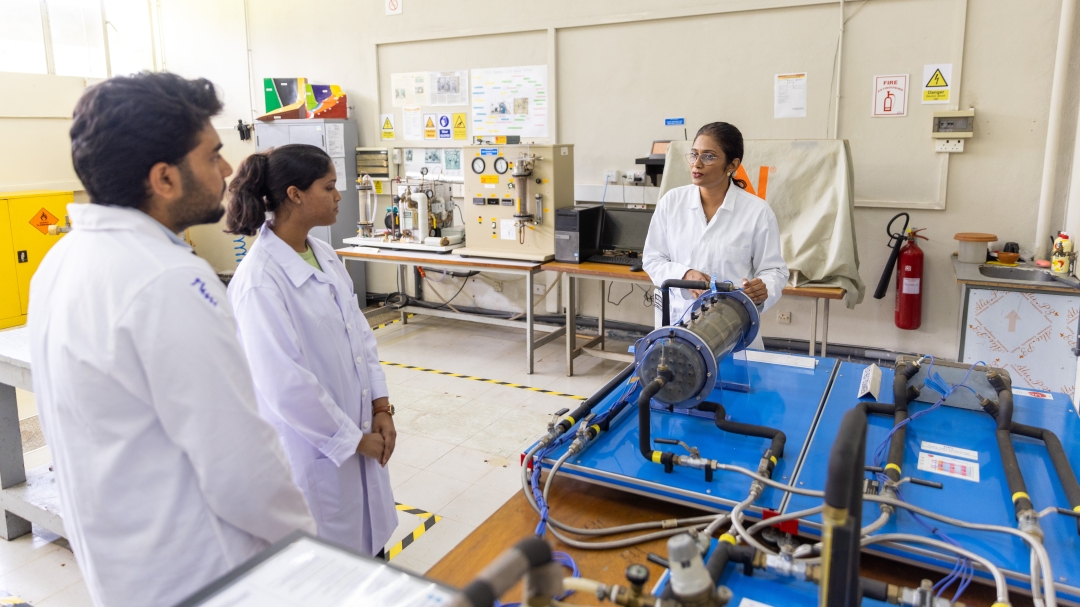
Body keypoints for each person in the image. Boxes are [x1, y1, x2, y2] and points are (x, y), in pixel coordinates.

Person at [27, 73, 316, 607]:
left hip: (126, 573)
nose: (229, 170)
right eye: (212, 156)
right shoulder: (170, 280)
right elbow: (241, 464)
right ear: (164, 178)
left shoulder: (60, 262)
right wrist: (313, 552)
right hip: (205, 573)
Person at [225, 144, 398, 557]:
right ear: (294, 194)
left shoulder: (322, 253)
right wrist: (353, 440)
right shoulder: (260, 281)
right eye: (330, 186)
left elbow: (360, 336)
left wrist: (381, 406)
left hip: (361, 432)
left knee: (369, 556)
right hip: (315, 452)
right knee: (333, 567)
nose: (339, 196)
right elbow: (285, 383)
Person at [642, 122, 788, 348]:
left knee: (734, 381)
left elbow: (774, 270)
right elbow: (652, 259)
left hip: (733, 331)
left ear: (732, 164)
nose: (697, 164)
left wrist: (764, 287)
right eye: (694, 155)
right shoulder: (671, 203)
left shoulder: (757, 212)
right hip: (678, 328)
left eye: (709, 157)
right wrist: (685, 273)